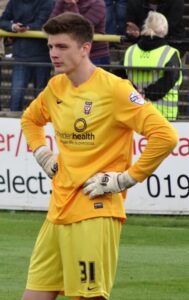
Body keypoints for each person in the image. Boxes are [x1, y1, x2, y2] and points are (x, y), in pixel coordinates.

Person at [21, 12, 178, 300]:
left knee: (89, 297)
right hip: (57, 211)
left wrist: (125, 179)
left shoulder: (116, 90)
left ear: (85, 48)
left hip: (95, 210)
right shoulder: (56, 86)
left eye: (62, 46)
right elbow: (30, 120)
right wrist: (42, 152)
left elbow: (165, 136)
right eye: (51, 47)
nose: (54, 54)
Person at [124, 11, 182, 121]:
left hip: (135, 113)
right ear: (164, 29)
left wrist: (136, 93)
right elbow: (169, 80)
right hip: (164, 116)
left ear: (145, 27)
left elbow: (119, 77)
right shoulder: (170, 53)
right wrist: (147, 93)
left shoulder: (130, 51)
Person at [0, 0, 54, 111]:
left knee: (41, 95)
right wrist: (13, 26)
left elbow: (44, 23)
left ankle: (41, 123)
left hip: (42, 57)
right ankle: (12, 125)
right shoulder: (14, 2)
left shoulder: (48, 2)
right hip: (20, 55)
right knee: (16, 94)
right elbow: (3, 20)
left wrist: (27, 27)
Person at [50, 0, 110, 66]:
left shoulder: (98, 3)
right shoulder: (62, 2)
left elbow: (81, 28)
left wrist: (71, 5)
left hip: (95, 54)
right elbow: (51, 25)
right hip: (69, 54)